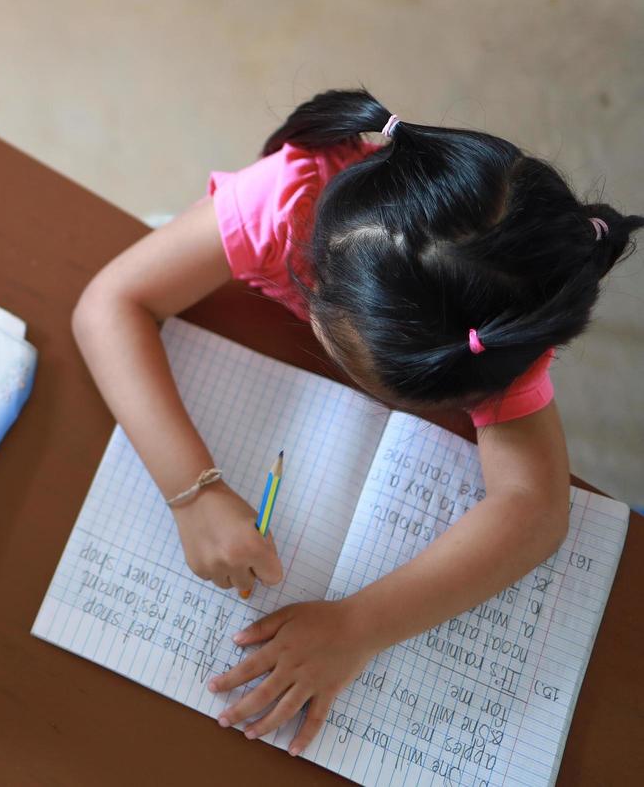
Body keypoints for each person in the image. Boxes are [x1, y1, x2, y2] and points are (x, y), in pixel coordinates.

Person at [72, 89, 641, 753]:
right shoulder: (283, 200)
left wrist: (359, 626)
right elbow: (109, 304)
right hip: (199, 248)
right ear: (316, 280)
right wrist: (191, 491)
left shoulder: (495, 337)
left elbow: (536, 512)